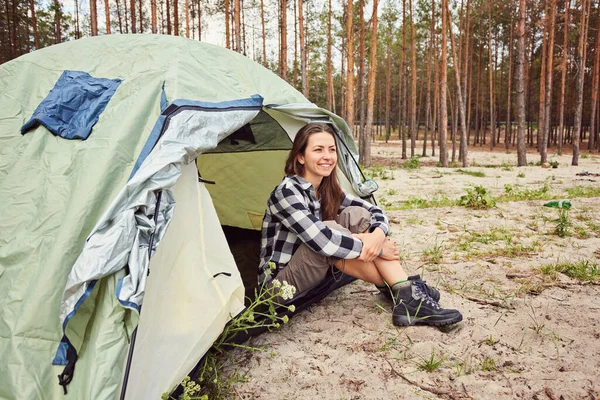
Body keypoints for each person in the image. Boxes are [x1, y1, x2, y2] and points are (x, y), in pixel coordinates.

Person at [259, 122, 462, 327]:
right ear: (300, 157)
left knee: (356, 214)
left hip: (313, 269)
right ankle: (405, 289)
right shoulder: (287, 192)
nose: (327, 156)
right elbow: (323, 242)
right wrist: (379, 248)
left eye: (332, 150)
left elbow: (375, 211)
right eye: (318, 150)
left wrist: (377, 235)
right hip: (278, 288)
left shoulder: (326, 187)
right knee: (331, 230)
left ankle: (403, 292)